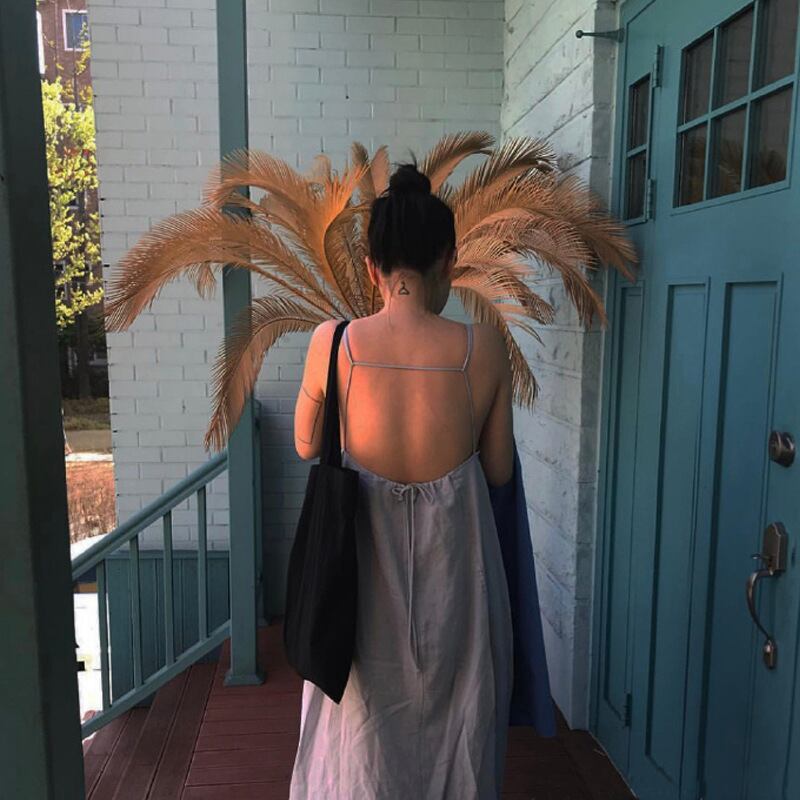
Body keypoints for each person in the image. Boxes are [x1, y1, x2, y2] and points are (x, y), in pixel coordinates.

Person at [289, 161, 515, 799]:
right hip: (458, 581)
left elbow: (308, 444)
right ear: (448, 260)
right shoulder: (483, 349)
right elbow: (499, 470)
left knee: (361, 732)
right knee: (459, 724)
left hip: (359, 583)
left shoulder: (332, 344)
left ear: (371, 267)